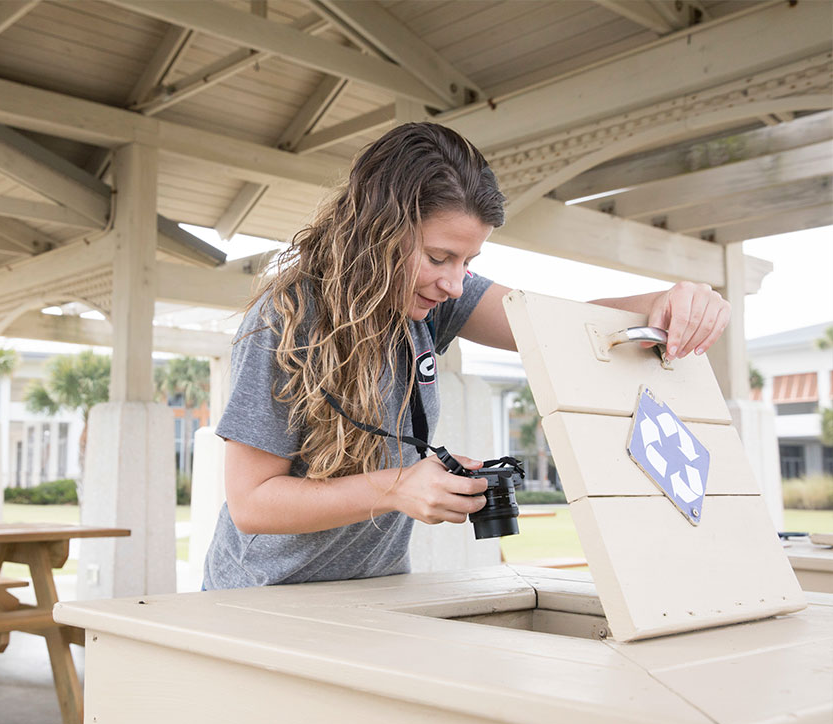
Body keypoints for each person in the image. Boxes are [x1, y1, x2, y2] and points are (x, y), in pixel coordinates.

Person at [202, 122, 730, 591]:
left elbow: (557, 325)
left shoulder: (429, 302)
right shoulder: (286, 318)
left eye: (468, 261)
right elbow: (252, 503)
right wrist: (398, 487)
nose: (455, 285)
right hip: (262, 597)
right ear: (376, 231)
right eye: (438, 257)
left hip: (373, 592)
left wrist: (667, 302)